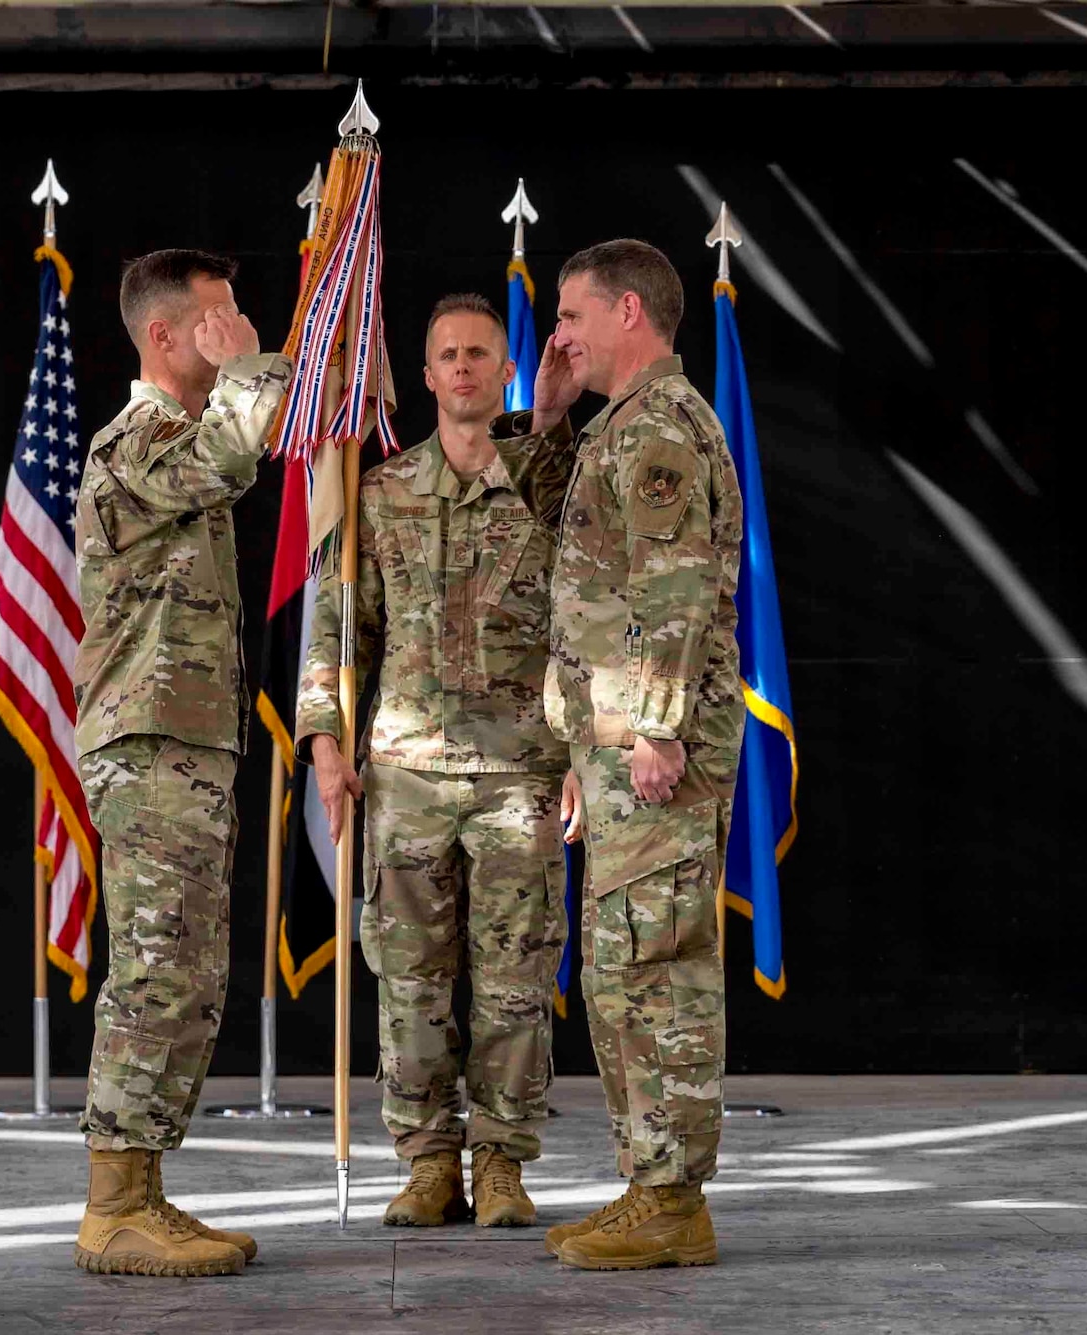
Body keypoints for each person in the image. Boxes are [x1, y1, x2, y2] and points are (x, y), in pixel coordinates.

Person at [298, 294, 579, 1230]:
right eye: (446, 354)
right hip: (408, 779)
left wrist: (584, 749)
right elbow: (342, 631)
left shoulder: (549, 483)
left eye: (480, 354)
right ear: (424, 375)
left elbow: (588, 616)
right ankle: (426, 1162)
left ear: (506, 370)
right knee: (412, 982)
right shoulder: (382, 493)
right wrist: (326, 742)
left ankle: (500, 1161)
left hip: (518, 776)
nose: (462, 367)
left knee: (513, 983)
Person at [499, 239, 746, 1271]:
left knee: (654, 967)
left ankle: (670, 1197)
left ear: (629, 311)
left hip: (653, 742)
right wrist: (546, 421)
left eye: (569, 314)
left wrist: (652, 728)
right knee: (619, 968)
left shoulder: (663, 430)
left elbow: (674, 585)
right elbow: (572, 547)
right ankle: (649, 1183)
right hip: (613, 739)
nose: (556, 333)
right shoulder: (617, 428)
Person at [70, 249, 293, 1278]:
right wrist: (254, 365)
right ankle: (112, 1204)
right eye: (217, 316)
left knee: (190, 974)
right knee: (157, 970)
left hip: (188, 740)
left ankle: (144, 1188)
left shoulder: (183, 434)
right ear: (164, 337)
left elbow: (251, 440)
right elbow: (233, 458)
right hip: (149, 743)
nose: (236, 327)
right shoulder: (134, 444)